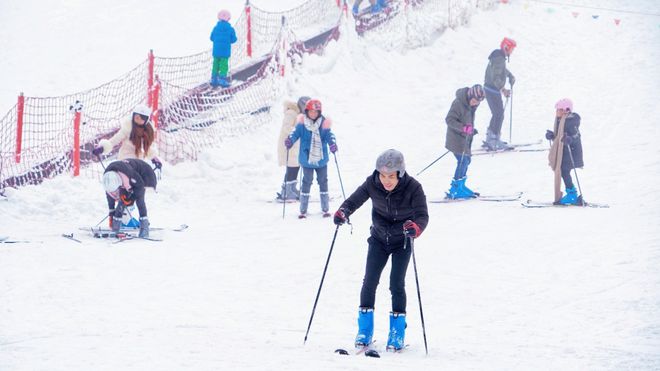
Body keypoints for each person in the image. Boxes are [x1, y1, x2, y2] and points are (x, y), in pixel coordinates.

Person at [332, 149, 429, 351]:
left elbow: (422, 215)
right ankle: (365, 330)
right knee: (369, 281)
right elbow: (354, 200)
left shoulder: (413, 188)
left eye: (391, 176)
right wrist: (343, 211)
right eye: (383, 175)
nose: (386, 180)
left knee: (396, 284)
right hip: (378, 239)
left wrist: (416, 228)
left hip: (402, 241)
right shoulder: (372, 183)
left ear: (400, 174)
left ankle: (397, 332)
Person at [92, 104, 162, 226]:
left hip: (138, 165)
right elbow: (114, 140)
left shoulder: (148, 131)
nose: (138, 120)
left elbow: (149, 148)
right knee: (126, 192)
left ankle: (126, 218)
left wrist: (155, 158)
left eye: (141, 118)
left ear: (146, 120)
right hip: (125, 164)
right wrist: (102, 148)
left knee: (137, 192)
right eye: (136, 117)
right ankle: (122, 219)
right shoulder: (127, 129)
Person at [284, 99, 337, 218]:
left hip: (321, 160)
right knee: (306, 182)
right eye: (311, 111)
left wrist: (332, 144)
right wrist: (290, 141)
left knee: (323, 181)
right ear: (306, 111)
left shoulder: (323, 124)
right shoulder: (302, 124)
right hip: (307, 160)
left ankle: (325, 208)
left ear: (319, 112)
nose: (313, 114)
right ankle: (303, 209)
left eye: (316, 112)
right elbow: (294, 134)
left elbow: (329, 135)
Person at [445, 84, 485, 199]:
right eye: (475, 101)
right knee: (463, 161)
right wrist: (463, 128)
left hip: (464, 139)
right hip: (456, 139)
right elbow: (449, 120)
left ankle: (461, 186)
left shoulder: (470, 105)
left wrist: (471, 130)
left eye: (478, 102)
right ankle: (456, 188)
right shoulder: (458, 104)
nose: (476, 103)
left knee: (466, 160)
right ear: (470, 95)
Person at [102, 158, 158, 238]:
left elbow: (140, 187)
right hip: (129, 176)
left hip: (146, 175)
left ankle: (144, 227)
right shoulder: (108, 178)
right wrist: (111, 213)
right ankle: (116, 227)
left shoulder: (130, 176)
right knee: (123, 200)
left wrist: (131, 199)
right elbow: (110, 195)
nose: (115, 193)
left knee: (139, 200)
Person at [546, 98, 584, 205]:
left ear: (565, 110)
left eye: (558, 109)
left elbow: (576, 135)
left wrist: (570, 139)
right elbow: (559, 136)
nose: (556, 112)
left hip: (571, 151)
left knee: (563, 170)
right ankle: (572, 194)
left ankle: (572, 194)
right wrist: (552, 136)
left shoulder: (571, 121)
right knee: (563, 171)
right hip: (564, 151)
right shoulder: (560, 121)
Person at [483, 37, 516, 151]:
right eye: (511, 49)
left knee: (497, 114)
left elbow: (501, 70)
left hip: (490, 89)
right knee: (499, 114)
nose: (512, 51)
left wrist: (509, 75)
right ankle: (494, 139)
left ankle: (491, 137)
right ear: (506, 47)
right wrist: (503, 89)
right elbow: (496, 76)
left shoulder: (498, 57)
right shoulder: (499, 58)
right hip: (492, 90)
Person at [276, 96, 310, 201]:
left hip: (295, 146)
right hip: (288, 145)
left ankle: (292, 188)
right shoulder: (291, 113)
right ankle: (286, 191)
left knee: (296, 166)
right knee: (292, 167)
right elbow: (286, 128)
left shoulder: (300, 115)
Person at [210, 9, 238, 88]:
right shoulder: (230, 29)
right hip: (225, 51)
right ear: (228, 19)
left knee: (215, 64)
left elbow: (211, 38)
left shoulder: (215, 28)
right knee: (223, 65)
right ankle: (222, 79)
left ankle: (214, 79)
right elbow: (234, 39)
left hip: (216, 51)